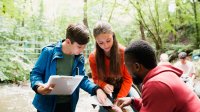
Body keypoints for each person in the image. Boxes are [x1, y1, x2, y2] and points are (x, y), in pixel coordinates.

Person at [30, 23, 107, 112]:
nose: (82, 50)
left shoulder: (79, 58)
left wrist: (96, 89)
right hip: (46, 105)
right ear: (68, 42)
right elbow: (36, 73)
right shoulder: (48, 52)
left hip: (68, 105)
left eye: (84, 47)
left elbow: (82, 80)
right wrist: (39, 88)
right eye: (79, 47)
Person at [112, 40, 200, 112]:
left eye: (127, 67)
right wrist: (133, 101)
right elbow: (156, 104)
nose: (127, 71)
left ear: (137, 66)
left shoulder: (156, 85)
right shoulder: (164, 74)